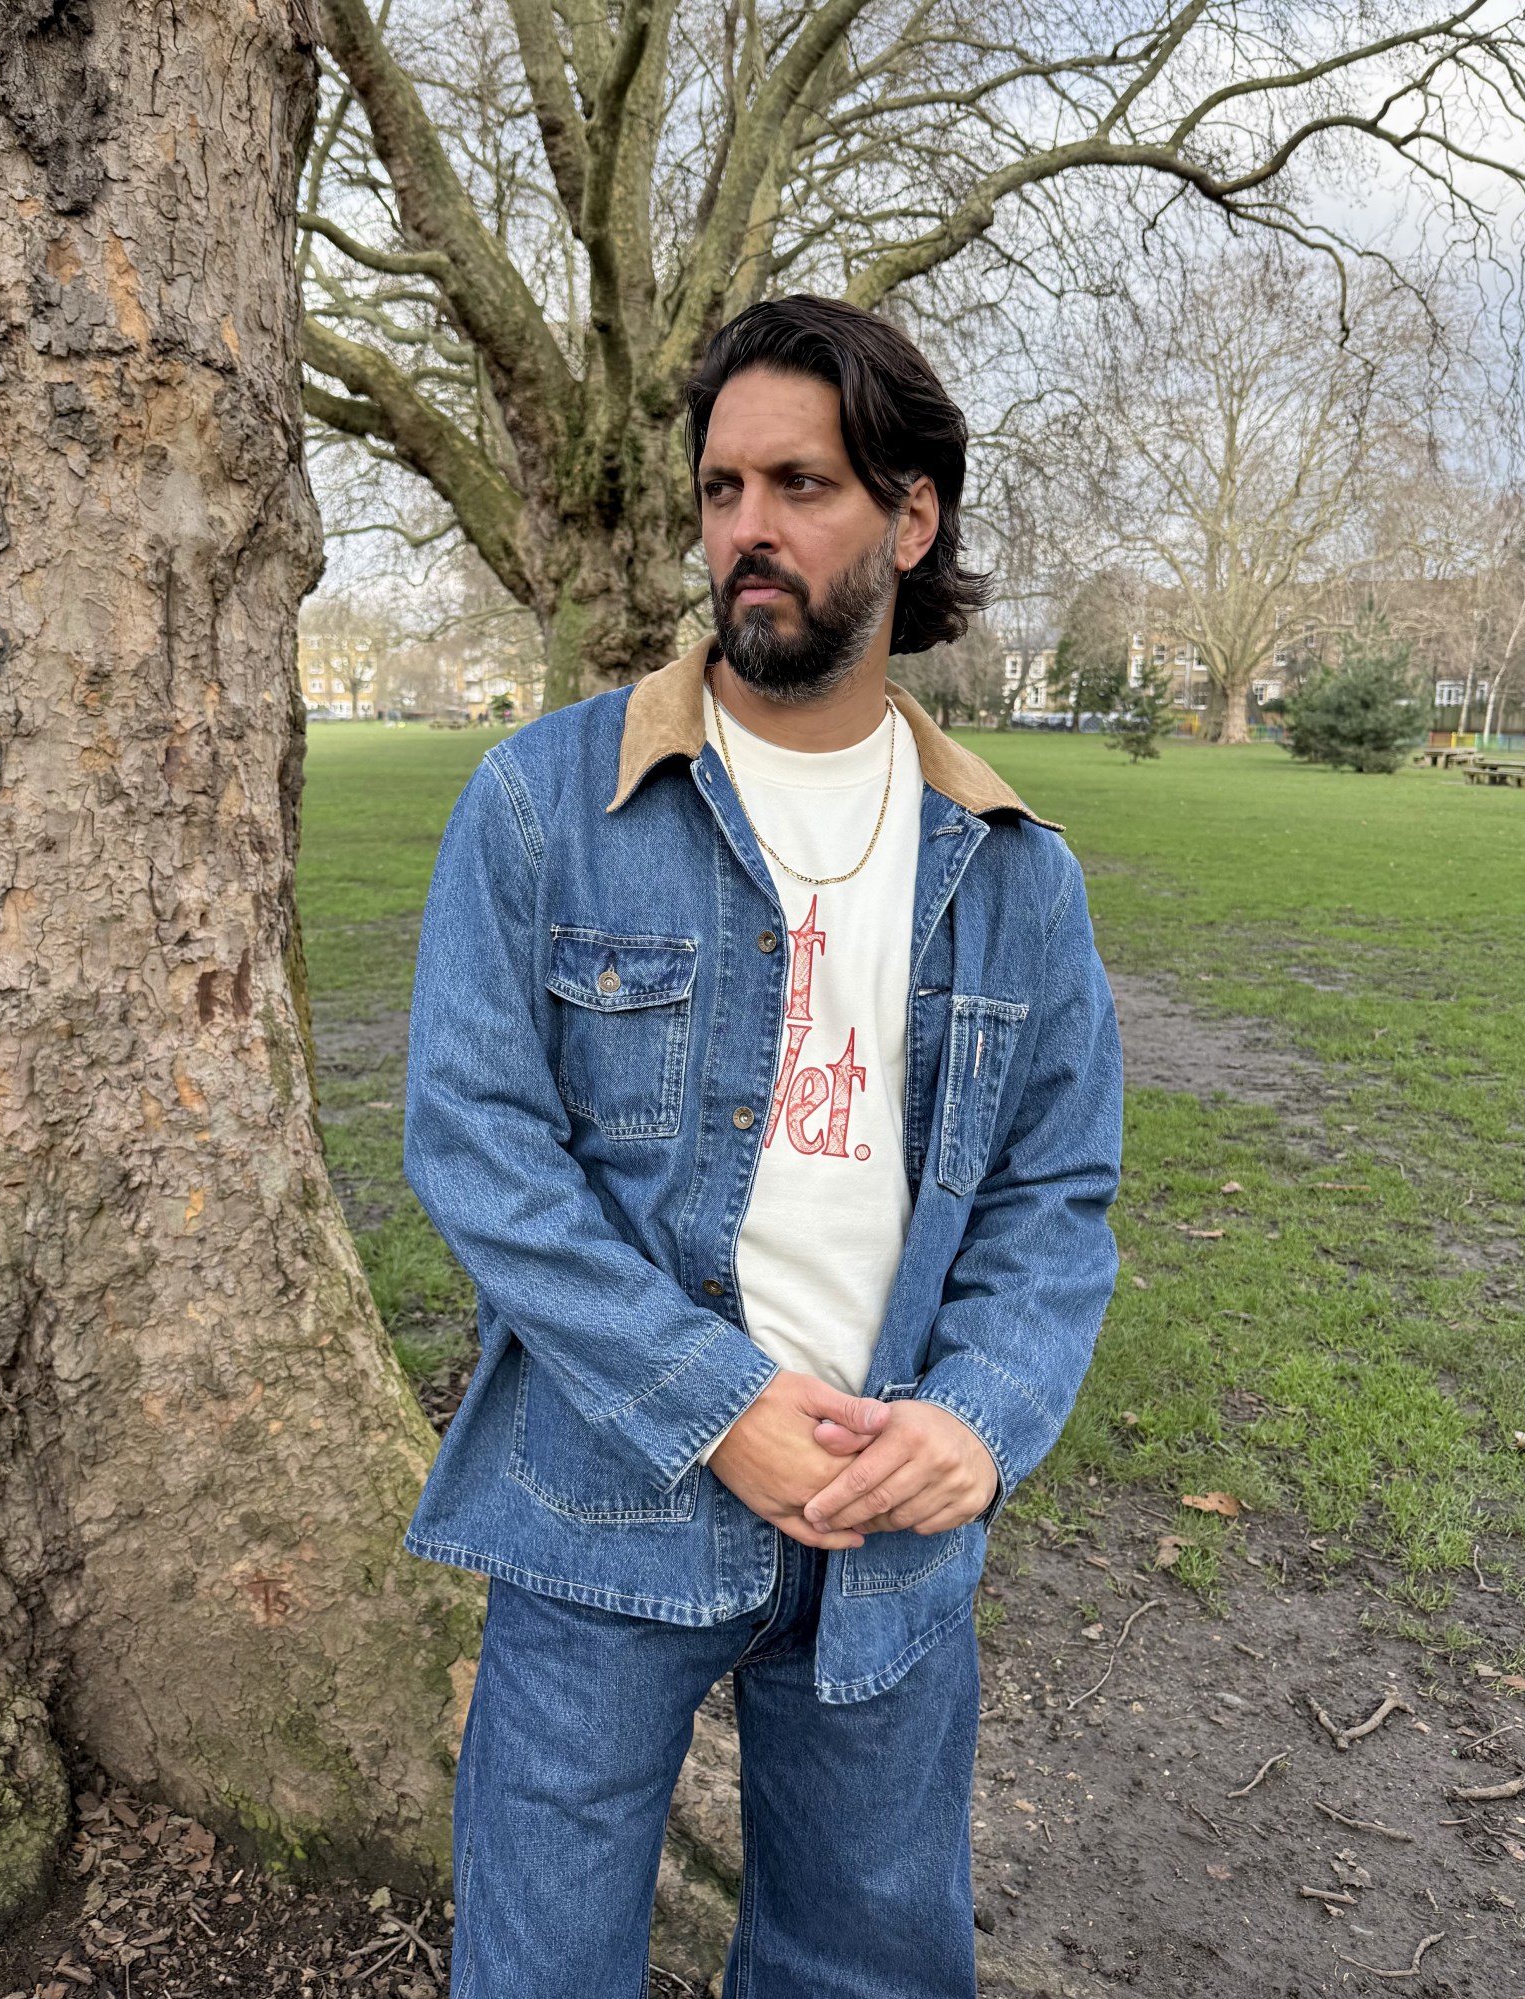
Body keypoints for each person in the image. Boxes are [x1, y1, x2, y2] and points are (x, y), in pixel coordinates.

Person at [402, 294, 1123, 1998]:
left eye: (799, 485)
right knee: (540, 1967)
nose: (749, 532)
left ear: (912, 516)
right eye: (724, 489)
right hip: (605, 1500)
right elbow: (479, 1149)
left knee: (866, 1969)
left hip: (893, 1521)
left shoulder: (1017, 873)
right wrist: (712, 1406)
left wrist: (982, 1420)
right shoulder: (542, 804)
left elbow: (1054, 1199)